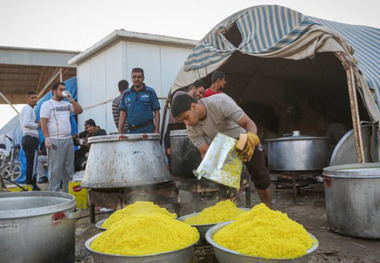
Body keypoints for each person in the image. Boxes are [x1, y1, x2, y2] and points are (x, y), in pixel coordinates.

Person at [171, 93, 272, 208]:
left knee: (260, 175)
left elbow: (249, 123)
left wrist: (251, 138)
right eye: (182, 120)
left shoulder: (220, 103)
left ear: (194, 106)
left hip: (243, 137)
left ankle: (268, 210)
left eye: (186, 118)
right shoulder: (191, 129)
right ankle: (229, 214)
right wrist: (214, 169)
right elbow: (205, 152)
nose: (186, 123)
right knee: (225, 184)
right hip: (224, 145)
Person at [40, 82, 83, 192]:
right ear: (54, 91)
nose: (63, 91)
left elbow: (79, 110)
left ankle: (67, 195)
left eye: (64, 89)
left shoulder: (67, 104)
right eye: (60, 89)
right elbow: (43, 122)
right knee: (55, 169)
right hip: (55, 140)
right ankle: (53, 195)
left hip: (68, 140)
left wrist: (71, 99)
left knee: (69, 169)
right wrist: (47, 137)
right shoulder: (47, 104)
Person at [164, 80, 206, 167]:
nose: (201, 95)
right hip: (173, 130)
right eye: (200, 92)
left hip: (185, 132)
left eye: (202, 94)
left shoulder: (195, 106)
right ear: (194, 88)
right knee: (175, 162)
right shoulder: (180, 95)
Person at [118, 68, 161, 134]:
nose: (136, 79)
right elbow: (123, 113)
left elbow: (156, 112)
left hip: (148, 131)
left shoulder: (150, 92)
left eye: (139, 77)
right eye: (134, 77)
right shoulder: (126, 94)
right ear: (131, 78)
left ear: (143, 78)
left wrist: (156, 130)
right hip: (132, 132)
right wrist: (120, 131)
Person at [19, 90, 40, 190]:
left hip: (27, 138)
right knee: (32, 163)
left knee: (30, 163)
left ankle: (31, 184)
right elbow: (26, 123)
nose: (35, 99)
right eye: (32, 98)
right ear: (27, 99)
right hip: (30, 138)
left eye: (36, 97)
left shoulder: (29, 109)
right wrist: (38, 125)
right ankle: (31, 185)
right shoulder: (28, 109)